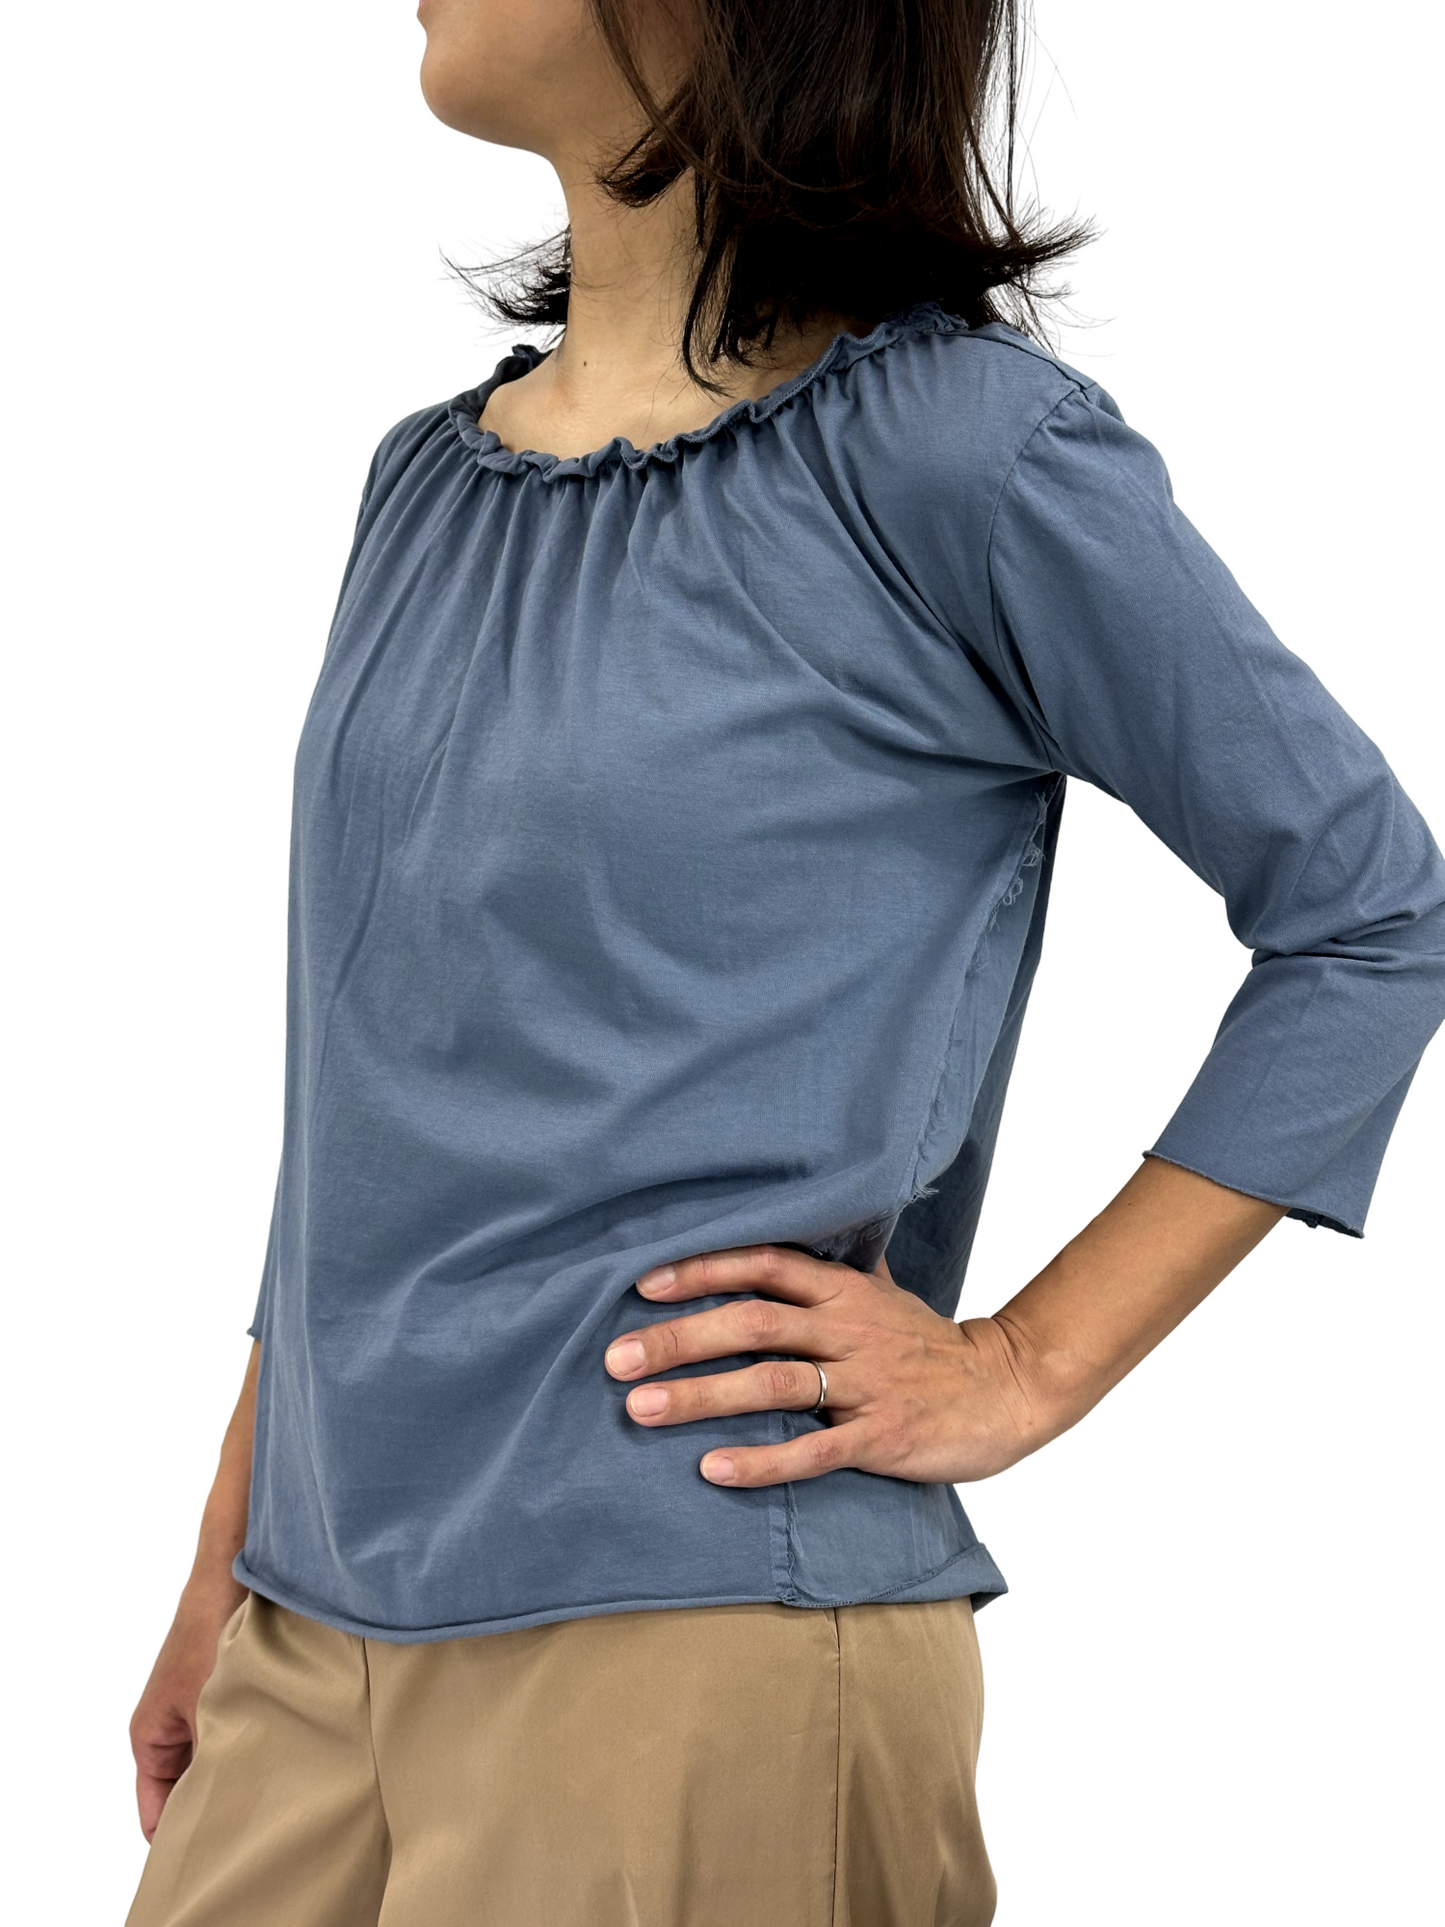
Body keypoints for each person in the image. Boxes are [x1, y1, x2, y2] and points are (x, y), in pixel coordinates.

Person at [123, 1, 1445, 1923]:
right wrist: (227, 1550)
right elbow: (371, 1083)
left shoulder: (960, 457)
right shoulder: (422, 488)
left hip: (699, 1625)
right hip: (312, 1632)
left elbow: (1371, 909)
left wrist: (1024, 1363)